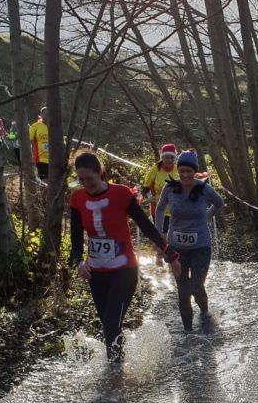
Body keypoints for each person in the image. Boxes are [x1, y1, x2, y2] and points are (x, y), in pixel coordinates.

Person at [69, 151, 179, 362]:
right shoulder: (77, 199)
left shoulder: (120, 194)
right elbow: (75, 238)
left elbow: (145, 225)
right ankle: (118, 367)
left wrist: (168, 251)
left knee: (111, 324)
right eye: (81, 180)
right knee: (109, 325)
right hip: (96, 273)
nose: (86, 184)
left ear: (100, 172)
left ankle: (115, 376)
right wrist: (79, 262)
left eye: (89, 179)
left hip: (124, 271)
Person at [155, 149, 223, 332]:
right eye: (182, 170)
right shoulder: (170, 188)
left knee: (195, 285)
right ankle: (188, 333)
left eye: (189, 171)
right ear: (178, 170)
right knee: (183, 291)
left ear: (195, 171)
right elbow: (160, 209)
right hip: (176, 248)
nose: (185, 175)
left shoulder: (204, 188)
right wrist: (159, 232)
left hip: (200, 246)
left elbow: (219, 203)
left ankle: (205, 314)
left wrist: (206, 218)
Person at [28, 106, 50, 181]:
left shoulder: (54, 127)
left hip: (53, 159)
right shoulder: (35, 126)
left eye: (48, 114)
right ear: (41, 115)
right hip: (41, 159)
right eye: (45, 114)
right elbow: (29, 140)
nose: (47, 116)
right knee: (44, 182)